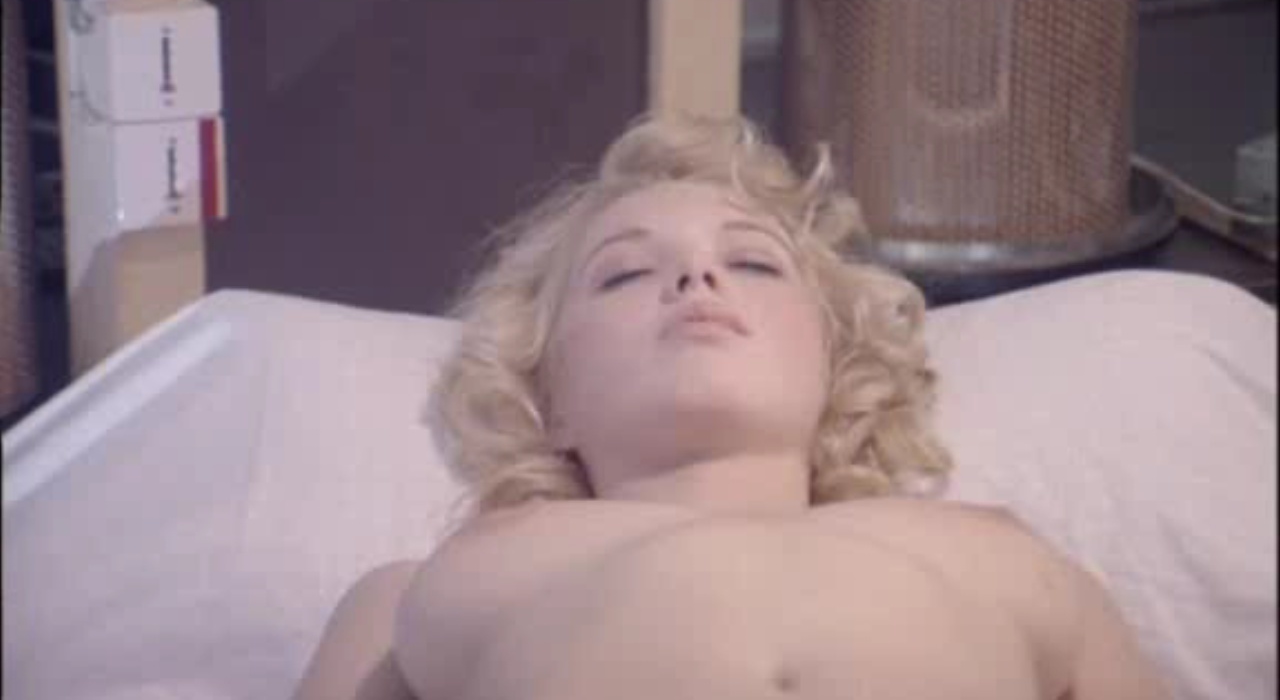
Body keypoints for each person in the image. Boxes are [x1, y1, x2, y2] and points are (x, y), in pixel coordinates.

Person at [292, 115, 1168, 700]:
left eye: (751, 263)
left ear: (835, 361)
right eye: (624, 275)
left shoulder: (1007, 558)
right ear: (546, 394)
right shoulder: (436, 587)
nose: (697, 278)